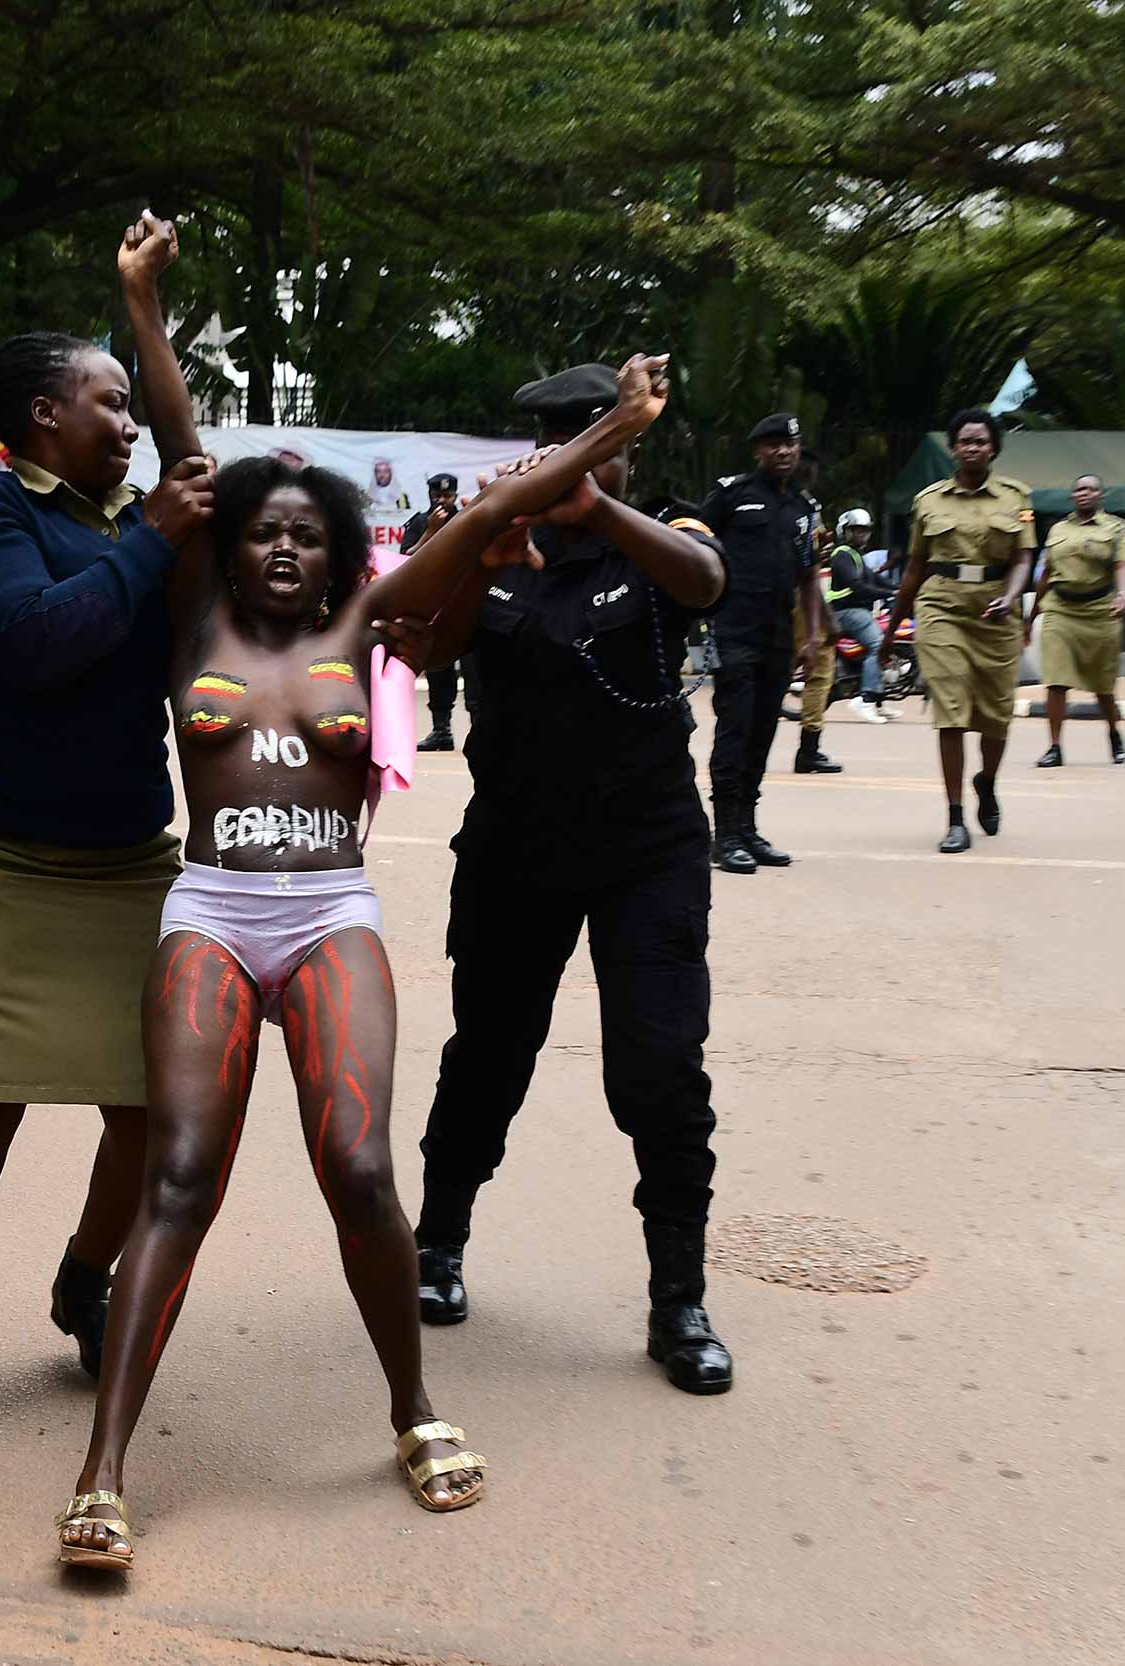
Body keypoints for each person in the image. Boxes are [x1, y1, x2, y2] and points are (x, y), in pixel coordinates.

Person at [56, 235, 680, 1574]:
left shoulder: (369, 627)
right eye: (261, 534)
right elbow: (182, 444)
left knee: (353, 1164)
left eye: (305, 535)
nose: (280, 547)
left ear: (336, 554)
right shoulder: (192, 628)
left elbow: (487, 511)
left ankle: (409, 1404)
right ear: (229, 552)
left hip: (328, 912)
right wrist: (144, 306)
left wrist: (620, 427)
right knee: (177, 1178)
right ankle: (103, 1468)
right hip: (213, 913)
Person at [0, 212, 217, 1474]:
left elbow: (189, 473)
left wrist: (143, 306)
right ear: (41, 418)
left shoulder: (142, 512)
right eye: (107, 403)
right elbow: (33, 641)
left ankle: (86, 1278)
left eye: (132, 407)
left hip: (125, 856)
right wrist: (147, 543)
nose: (129, 426)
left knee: (148, 1114)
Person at [401, 361, 735, 1402]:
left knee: (660, 1066)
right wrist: (480, 552)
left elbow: (705, 583)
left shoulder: (662, 534)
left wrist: (603, 509)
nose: (571, 458)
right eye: (554, 443)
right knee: (489, 1053)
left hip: (646, 850)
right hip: (516, 845)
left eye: (594, 441)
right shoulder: (497, 544)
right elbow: (425, 646)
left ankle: (678, 1298)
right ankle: (438, 1242)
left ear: (623, 450)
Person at [885, 409, 1034, 853]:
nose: (972, 448)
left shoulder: (1017, 497)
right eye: (965, 441)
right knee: (950, 712)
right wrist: (894, 627)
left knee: (996, 716)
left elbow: (1024, 558)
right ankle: (954, 818)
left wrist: (1010, 597)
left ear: (993, 449)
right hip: (941, 606)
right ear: (953, 448)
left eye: (981, 441)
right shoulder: (928, 500)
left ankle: (986, 782)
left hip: (995, 610)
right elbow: (914, 567)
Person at [698, 413, 823, 874]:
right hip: (734, 632)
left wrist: (810, 640)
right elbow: (694, 542)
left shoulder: (804, 511)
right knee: (735, 730)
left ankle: (748, 827)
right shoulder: (732, 495)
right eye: (774, 444)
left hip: (777, 638)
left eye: (791, 444)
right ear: (757, 451)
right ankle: (724, 833)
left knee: (763, 732)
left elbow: (810, 579)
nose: (784, 452)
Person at [1030, 473, 1125, 768]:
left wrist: (1124, 593)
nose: (1084, 493)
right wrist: (1031, 617)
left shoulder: (1117, 528)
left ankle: (1114, 733)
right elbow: (1045, 574)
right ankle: (1054, 746)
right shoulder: (1057, 530)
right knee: (1055, 681)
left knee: (1103, 686)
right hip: (1060, 610)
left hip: (1101, 611)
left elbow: (1124, 563)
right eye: (1078, 489)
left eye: (1090, 489)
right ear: (1072, 496)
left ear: (1101, 495)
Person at [405, 470, 474, 751]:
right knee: (438, 667)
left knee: (477, 669)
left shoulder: (472, 516)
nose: (443, 501)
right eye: (437, 496)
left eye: (448, 495)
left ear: (456, 495)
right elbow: (405, 560)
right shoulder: (420, 522)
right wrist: (431, 531)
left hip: (473, 601)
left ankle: (482, 727)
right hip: (437, 604)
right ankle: (442, 731)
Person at [822, 508, 892, 723]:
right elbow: (858, 586)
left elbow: (876, 580)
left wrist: (902, 588)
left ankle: (878, 701)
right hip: (846, 612)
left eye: (864, 531)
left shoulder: (856, 556)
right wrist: (889, 593)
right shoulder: (842, 554)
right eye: (855, 531)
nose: (860, 535)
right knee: (878, 646)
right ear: (844, 531)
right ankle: (866, 699)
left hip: (858, 611)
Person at [789, 523, 843, 773]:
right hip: (801, 598)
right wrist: (827, 618)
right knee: (819, 671)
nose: (828, 540)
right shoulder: (799, 505)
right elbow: (806, 575)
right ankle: (808, 751)